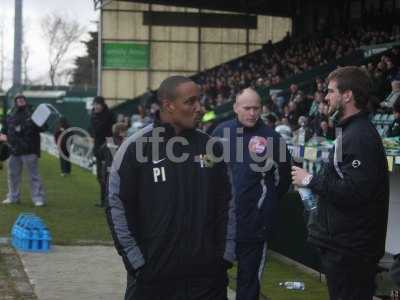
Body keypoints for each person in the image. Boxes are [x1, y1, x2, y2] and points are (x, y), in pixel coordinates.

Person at [106, 75, 235, 300]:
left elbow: (229, 204)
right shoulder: (137, 147)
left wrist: (224, 258)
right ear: (169, 105)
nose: (199, 108)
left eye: (200, 101)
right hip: (153, 280)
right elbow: (117, 206)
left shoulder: (211, 147)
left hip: (206, 281)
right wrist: (138, 264)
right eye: (190, 102)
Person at [292, 66, 389, 300]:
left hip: (351, 250)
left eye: (331, 91)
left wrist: (310, 179)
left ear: (347, 95)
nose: (326, 97)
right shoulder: (349, 132)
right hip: (344, 246)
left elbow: (354, 193)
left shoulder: (359, 136)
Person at [212, 88, 291, 300]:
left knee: (249, 284)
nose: (252, 113)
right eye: (247, 108)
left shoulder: (273, 139)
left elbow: (283, 181)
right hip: (221, 226)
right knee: (213, 281)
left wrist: (263, 208)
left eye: (256, 108)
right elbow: (208, 173)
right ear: (236, 108)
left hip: (254, 226)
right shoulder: (220, 132)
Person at [0, 94, 46, 206]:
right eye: (18, 99)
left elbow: (43, 128)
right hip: (13, 149)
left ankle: (38, 198)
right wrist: (2, 136)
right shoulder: (11, 114)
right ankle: (13, 197)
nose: (20, 101)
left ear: (25, 101)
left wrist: (39, 121)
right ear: (15, 102)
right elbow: (5, 130)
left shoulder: (33, 113)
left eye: (22, 99)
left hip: (29, 149)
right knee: (12, 175)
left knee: (33, 176)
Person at [89, 96, 114, 207]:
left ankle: (108, 200)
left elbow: (101, 129)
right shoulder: (94, 116)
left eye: (97, 104)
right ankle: (104, 200)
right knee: (100, 176)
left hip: (108, 147)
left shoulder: (108, 115)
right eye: (94, 104)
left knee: (106, 175)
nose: (96, 106)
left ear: (102, 105)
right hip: (98, 147)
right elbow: (93, 131)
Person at [96, 122, 128, 207]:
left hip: (109, 169)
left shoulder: (110, 141)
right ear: (120, 131)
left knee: (107, 187)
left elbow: (100, 153)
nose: (126, 132)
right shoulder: (126, 142)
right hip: (118, 170)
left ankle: (106, 203)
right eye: (124, 130)